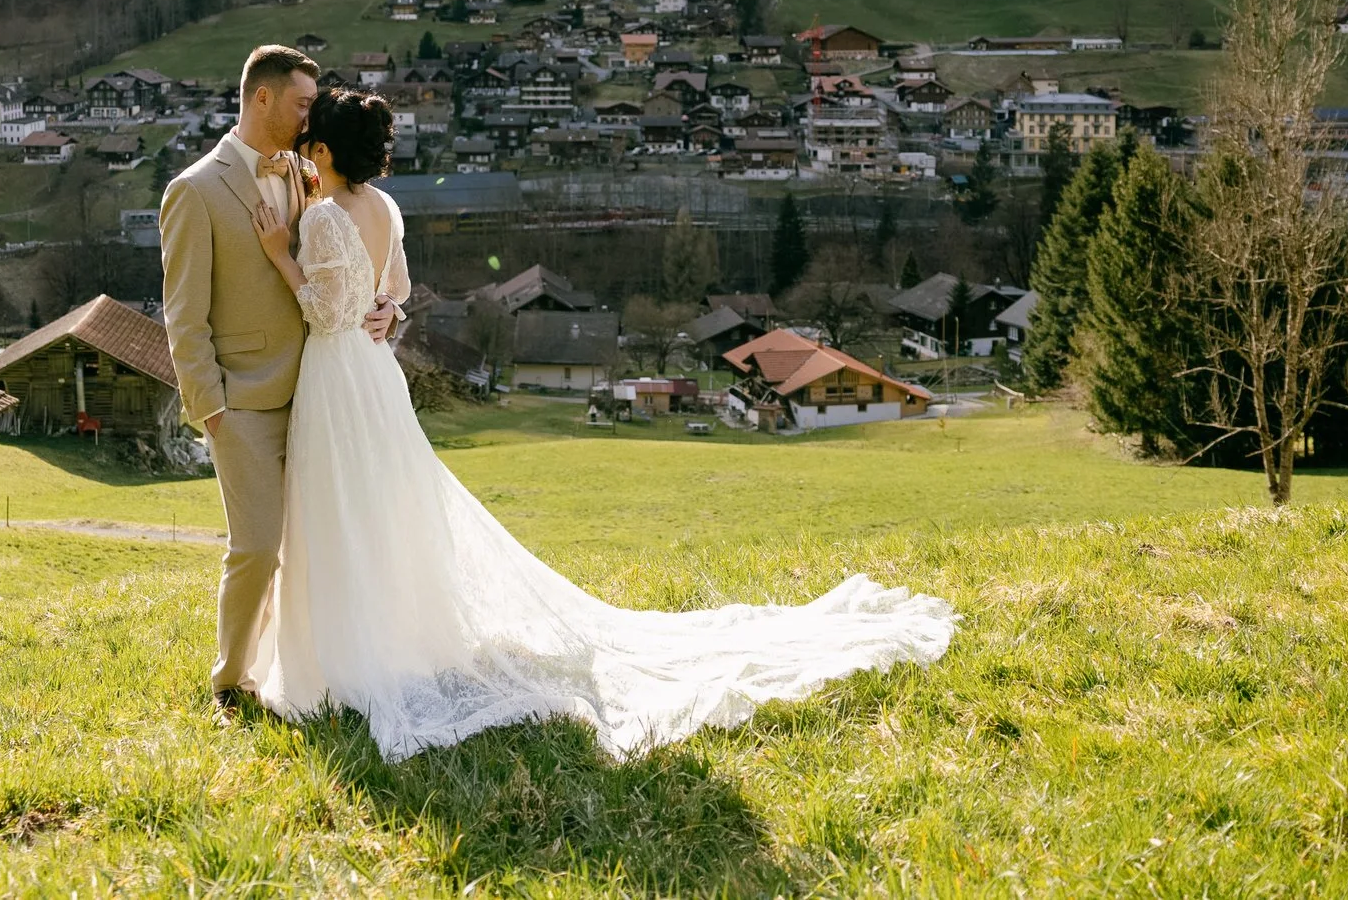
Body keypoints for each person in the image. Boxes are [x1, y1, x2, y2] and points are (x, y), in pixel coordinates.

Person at [241, 85, 957, 761]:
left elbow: (327, 313)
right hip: (378, 380)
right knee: (383, 510)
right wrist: (388, 306)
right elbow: (390, 289)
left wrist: (281, 254)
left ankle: (347, 654)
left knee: (339, 510)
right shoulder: (385, 209)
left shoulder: (327, 217)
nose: (302, 149)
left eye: (310, 141)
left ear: (326, 153)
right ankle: (377, 639)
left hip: (338, 378)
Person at [160, 45, 398, 716]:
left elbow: (357, 262)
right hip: (244, 403)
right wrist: (211, 409)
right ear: (261, 98)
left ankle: (307, 673)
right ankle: (230, 680)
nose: (309, 115)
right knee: (259, 546)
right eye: (301, 102)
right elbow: (184, 315)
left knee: (320, 543)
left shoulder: (310, 171)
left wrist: (386, 305)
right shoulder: (193, 190)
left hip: (323, 393)